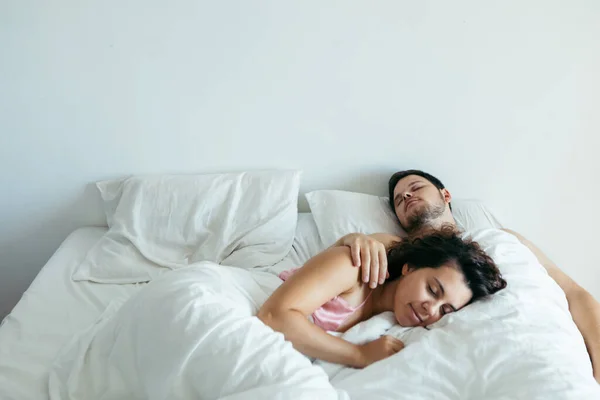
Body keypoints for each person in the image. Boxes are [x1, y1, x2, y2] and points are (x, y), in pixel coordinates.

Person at [332, 169, 600, 383]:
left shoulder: (504, 239)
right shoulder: (392, 246)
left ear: (445, 194)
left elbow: (574, 292)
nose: (407, 197)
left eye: (415, 188)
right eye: (399, 200)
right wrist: (350, 238)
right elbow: (330, 275)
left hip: (531, 344)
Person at [257, 227, 506, 368]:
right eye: (432, 290)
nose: (431, 310)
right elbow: (274, 315)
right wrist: (359, 355)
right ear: (409, 267)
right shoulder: (353, 268)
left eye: (445, 310)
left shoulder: (392, 320)